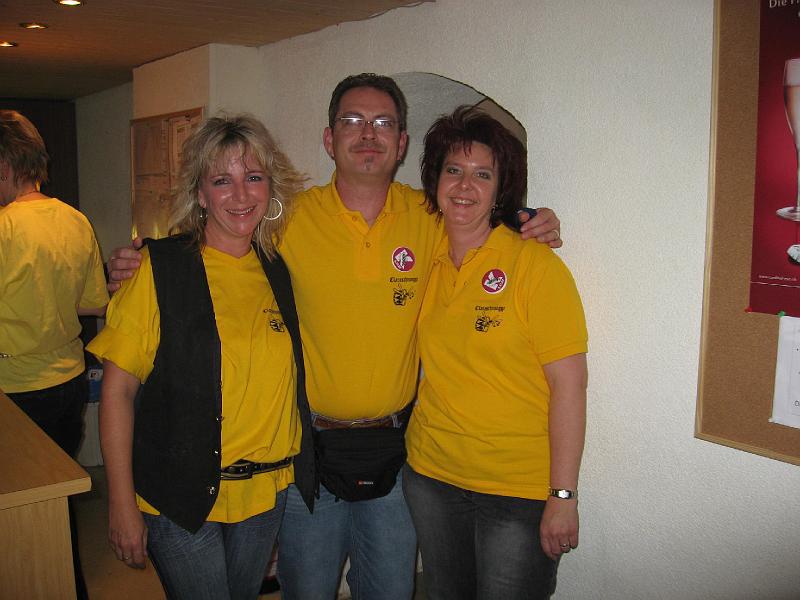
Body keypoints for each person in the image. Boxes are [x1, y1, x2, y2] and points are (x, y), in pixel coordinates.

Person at [107, 74, 563, 600]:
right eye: (352, 121)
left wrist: (531, 221)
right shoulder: (287, 218)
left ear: (401, 143)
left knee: (390, 590)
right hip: (310, 458)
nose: (368, 134)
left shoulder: (431, 218)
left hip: (396, 454)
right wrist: (140, 260)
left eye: (383, 123)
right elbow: (217, 239)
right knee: (309, 591)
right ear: (329, 139)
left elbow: (481, 222)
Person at [87, 114, 315, 600]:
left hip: (264, 495)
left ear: (270, 187)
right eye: (222, 180)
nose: (241, 194)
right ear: (201, 194)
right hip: (179, 496)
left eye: (254, 177)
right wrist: (120, 503)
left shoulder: (277, 269)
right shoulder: (159, 268)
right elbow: (118, 391)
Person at [402, 106, 588, 600]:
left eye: (483, 174)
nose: (465, 185)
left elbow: (569, 385)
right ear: (435, 179)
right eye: (453, 170)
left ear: (501, 188)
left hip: (516, 489)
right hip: (432, 476)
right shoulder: (423, 255)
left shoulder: (534, 265)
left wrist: (563, 495)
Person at [0, 109, 108, 600]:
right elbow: (93, 302)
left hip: (15, 390)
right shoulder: (75, 220)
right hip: (67, 384)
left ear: (5, 166)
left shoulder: (5, 227)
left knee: (19, 514)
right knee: (54, 503)